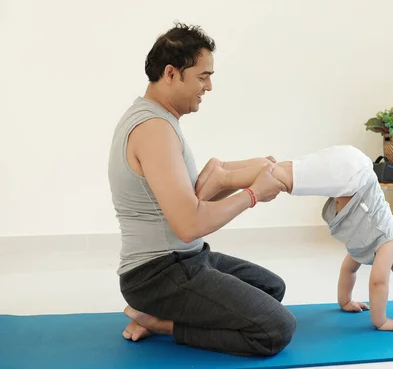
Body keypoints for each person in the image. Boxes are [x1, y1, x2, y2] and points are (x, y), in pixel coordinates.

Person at [107, 23, 296, 357]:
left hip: (188, 258)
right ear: (171, 73)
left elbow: (187, 201)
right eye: (202, 76)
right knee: (275, 329)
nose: (208, 86)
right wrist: (252, 196)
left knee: (272, 288)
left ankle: (160, 317)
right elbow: (189, 224)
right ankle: (160, 323)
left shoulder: (159, 121)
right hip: (157, 275)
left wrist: (226, 175)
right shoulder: (153, 130)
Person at [194, 145, 393, 332]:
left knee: (276, 171)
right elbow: (378, 283)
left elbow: (349, 269)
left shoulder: (371, 250)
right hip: (353, 173)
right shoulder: (390, 242)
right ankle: (222, 177)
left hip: (348, 176)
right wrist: (381, 320)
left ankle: (224, 167)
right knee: (278, 179)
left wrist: (344, 301)